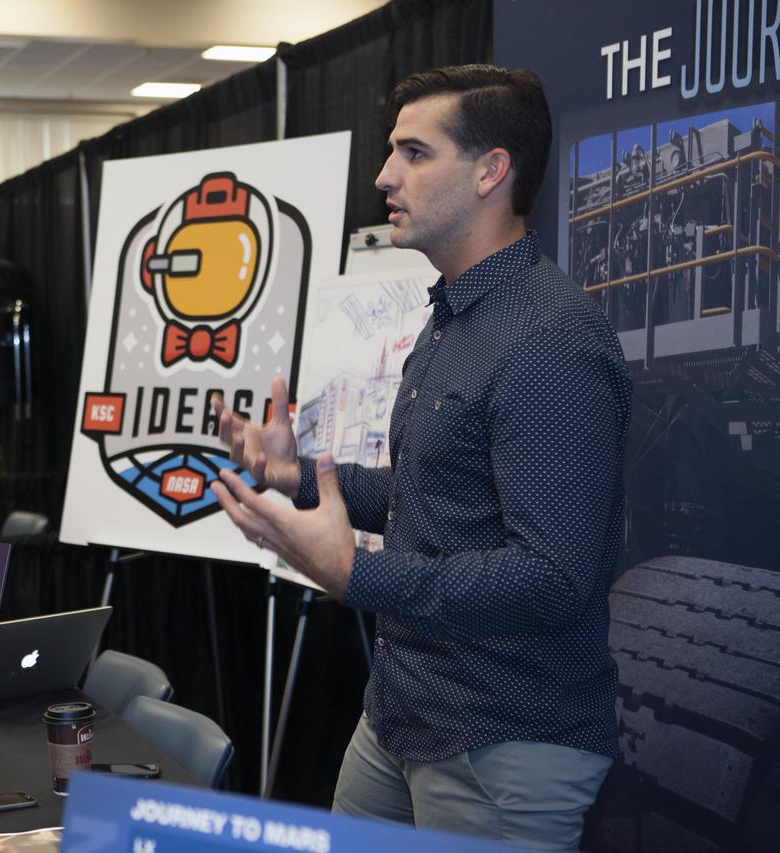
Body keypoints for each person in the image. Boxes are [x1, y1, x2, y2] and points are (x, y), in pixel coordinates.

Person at [211, 65, 631, 850]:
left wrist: (353, 574)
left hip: (503, 743)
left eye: (414, 152)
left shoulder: (550, 340)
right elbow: (427, 494)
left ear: (489, 171)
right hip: (404, 711)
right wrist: (293, 474)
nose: (384, 175)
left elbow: (552, 577)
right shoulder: (452, 316)